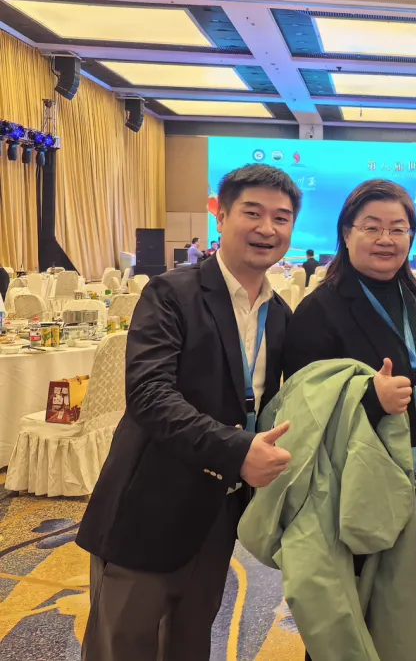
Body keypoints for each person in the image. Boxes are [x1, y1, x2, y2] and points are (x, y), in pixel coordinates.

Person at [77, 165, 301, 661]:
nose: (267, 228)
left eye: (281, 218)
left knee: (190, 641)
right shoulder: (172, 293)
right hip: (149, 506)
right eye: (252, 213)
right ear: (220, 216)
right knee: (123, 645)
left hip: (217, 512)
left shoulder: (280, 315)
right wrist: (238, 450)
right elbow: (149, 396)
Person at [281, 180, 416, 661]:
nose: (386, 239)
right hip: (355, 483)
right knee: (349, 600)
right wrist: (369, 397)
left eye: (398, 229)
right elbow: (302, 409)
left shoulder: (413, 297)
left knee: (393, 589)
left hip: (415, 470)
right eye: (372, 227)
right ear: (346, 233)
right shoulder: (320, 308)